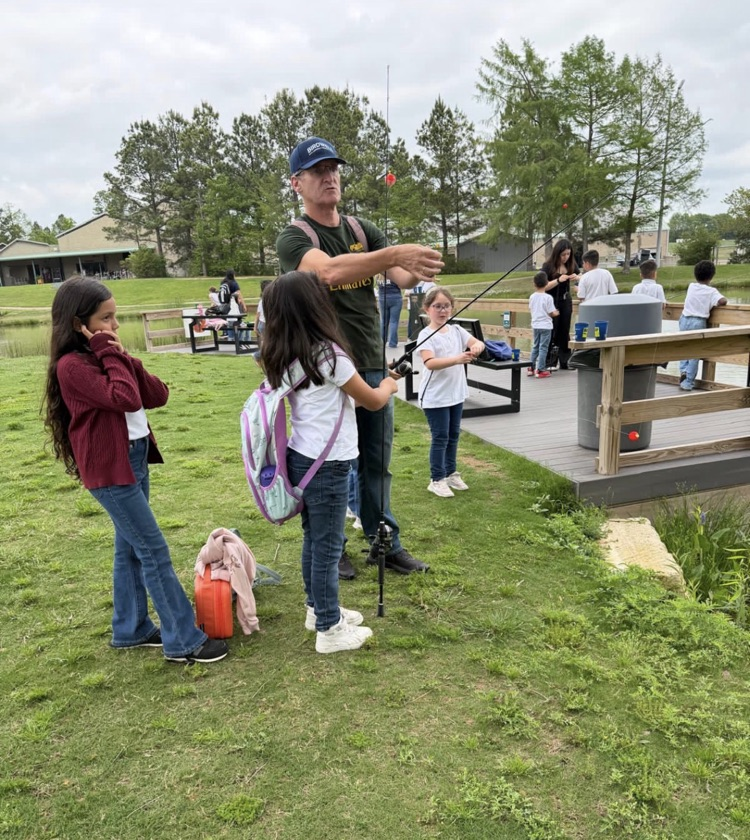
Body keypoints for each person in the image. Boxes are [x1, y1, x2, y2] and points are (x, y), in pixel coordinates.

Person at [276, 136, 443, 579]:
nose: (329, 177)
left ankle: (384, 542)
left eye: (334, 168)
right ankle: (331, 547)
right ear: (297, 183)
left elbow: (401, 275)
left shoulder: (361, 228)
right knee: (326, 462)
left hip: (369, 359)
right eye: (317, 171)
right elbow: (327, 271)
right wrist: (390, 255)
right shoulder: (294, 238)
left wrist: (417, 263)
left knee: (376, 460)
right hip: (323, 371)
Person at [42, 276, 228, 664]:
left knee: (129, 548)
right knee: (153, 549)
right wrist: (109, 352)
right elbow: (124, 398)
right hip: (112, 469)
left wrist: (120, 355)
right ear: (79, 324)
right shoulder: (72, 366)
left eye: (116, 318)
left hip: (135, 458)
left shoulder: (102, 358)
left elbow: (156, 394)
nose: (114, 326)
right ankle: (184, 641)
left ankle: (131, 628)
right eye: (106, 319)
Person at [261, 271, 398, 652]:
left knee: (315, 539)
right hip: (330, 462)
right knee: (327, 546)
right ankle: (329, 628)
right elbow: (372, 400)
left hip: (302, 458)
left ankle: (317, 607)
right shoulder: (328, 354)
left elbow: (330, 398)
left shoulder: (280, 353)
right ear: (316, 307)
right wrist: (388, 384)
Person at [417, 287, 484, 498]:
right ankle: (436, 479)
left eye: (446, 306)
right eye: (437, 306)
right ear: (427, 309)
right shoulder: (425, 334)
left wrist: (477, 347)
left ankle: (450, 473)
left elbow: (477, 342)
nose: (442, 311)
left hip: (456, 393)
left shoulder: (457, 330)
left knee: (454, 435)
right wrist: (457, 359)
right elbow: (430, 363)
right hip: (435, 396)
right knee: (440, 437)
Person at [678, 260, 727, 391]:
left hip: (684, 319)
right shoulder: (712, 291)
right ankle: (688, 382)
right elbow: (722, 301)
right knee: (695, 353)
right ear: (712, 276)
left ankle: (683, 371)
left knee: (683, 347)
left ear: (695, 275)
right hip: (698, 322)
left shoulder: (691, 286)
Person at [541, 239, 579, 369]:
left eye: (568, 254)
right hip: (551, 301)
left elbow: (581, 277)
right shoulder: (548, 266)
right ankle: (549, 360)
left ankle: (565, 361)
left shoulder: (571, 264)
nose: (566, 257)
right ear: (557, 253)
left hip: (565, 300)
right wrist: (558, 280)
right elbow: (543, 286)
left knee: (565, 329)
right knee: (552, 329)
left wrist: (577, 278)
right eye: (563, 255)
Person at [528, 271, 559, 379]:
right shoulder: (548, 298)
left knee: (535, 346)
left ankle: (530, 367)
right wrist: (557, 312)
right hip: (546, 326)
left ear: (534, 284)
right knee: (543, 348)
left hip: (535, 325)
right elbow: (551, 312)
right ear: (547, 283)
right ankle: (540, 369)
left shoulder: (532, 297)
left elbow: (532, 309)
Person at [377, 273, 404, 348]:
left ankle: (382, 342)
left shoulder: (378, 276)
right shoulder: (394, 275)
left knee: (383, 322)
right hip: (395, 298)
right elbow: (401, 285)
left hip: (383, 299)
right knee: (393, 322)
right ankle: (392, 343)